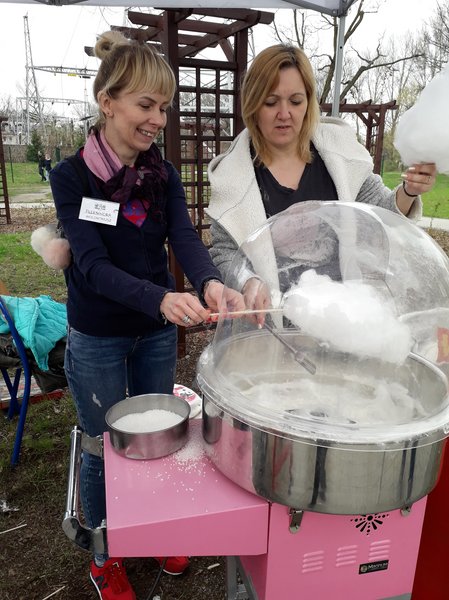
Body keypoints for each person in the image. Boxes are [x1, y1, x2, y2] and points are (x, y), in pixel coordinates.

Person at [49, 30, 244, 600]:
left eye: (163, 107)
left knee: (160, 435)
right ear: (107, 102)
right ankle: (104, 551)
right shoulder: (71, 177)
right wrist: (160, 298)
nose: (158, 119)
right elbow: (90, 266)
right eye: (146, 105)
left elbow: (184, 237)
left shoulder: (162, 175)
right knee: (101, 443)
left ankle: (153, 529)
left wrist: (210, 282)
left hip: (154, 334)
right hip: (99, 335)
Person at [206, 44, 438, 324]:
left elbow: (380, 211)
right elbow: (223, 251)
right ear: (253, 104)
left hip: (339, 321)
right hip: (270, 328)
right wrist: (248, 280)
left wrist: (409, 190)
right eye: (271, 102)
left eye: (295, 101)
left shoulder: (340, 155)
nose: (284, 113)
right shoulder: (232, 176)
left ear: (309, 102)